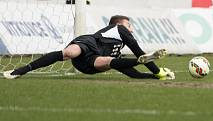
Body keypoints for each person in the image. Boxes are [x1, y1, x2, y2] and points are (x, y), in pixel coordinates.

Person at [3, 15, 175, 80]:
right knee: (70, 52)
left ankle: (138, 62)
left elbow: (131, 73)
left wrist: (152, 76)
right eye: (129, 25)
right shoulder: (120, 30)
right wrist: (158, 72)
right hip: (89, 43)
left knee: (111, 61)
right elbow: (139, 50)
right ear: (119, 25)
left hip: (90, 65)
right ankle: (21, 70)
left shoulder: (116, 49)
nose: (131, 29)